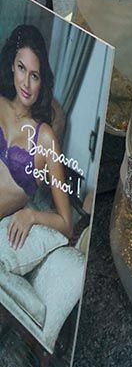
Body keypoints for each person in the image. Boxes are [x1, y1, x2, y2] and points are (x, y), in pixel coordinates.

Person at [0, 25, 72, 249]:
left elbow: (66, 223)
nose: (26, 83)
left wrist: (31, 215)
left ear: (42, 82)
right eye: (21, 68)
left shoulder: (46, 139)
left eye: (35, 76)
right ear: (12, 65)